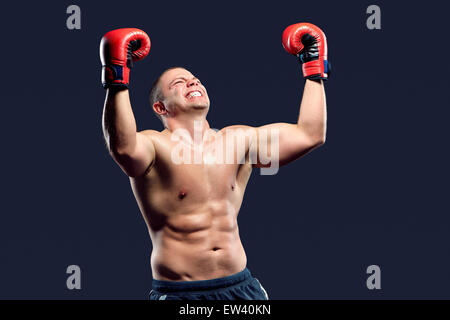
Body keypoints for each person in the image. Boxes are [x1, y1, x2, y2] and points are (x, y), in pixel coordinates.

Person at [99, 23, 329, 300]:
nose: (193, 82)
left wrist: (314, 70)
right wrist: (117, 80)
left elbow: (310, 134)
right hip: (180, 293)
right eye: (179, 83)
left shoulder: (238, 141)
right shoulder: (154, 146)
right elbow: (122, 148)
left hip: (240, 289)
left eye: (195, 79)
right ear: (160, 107)